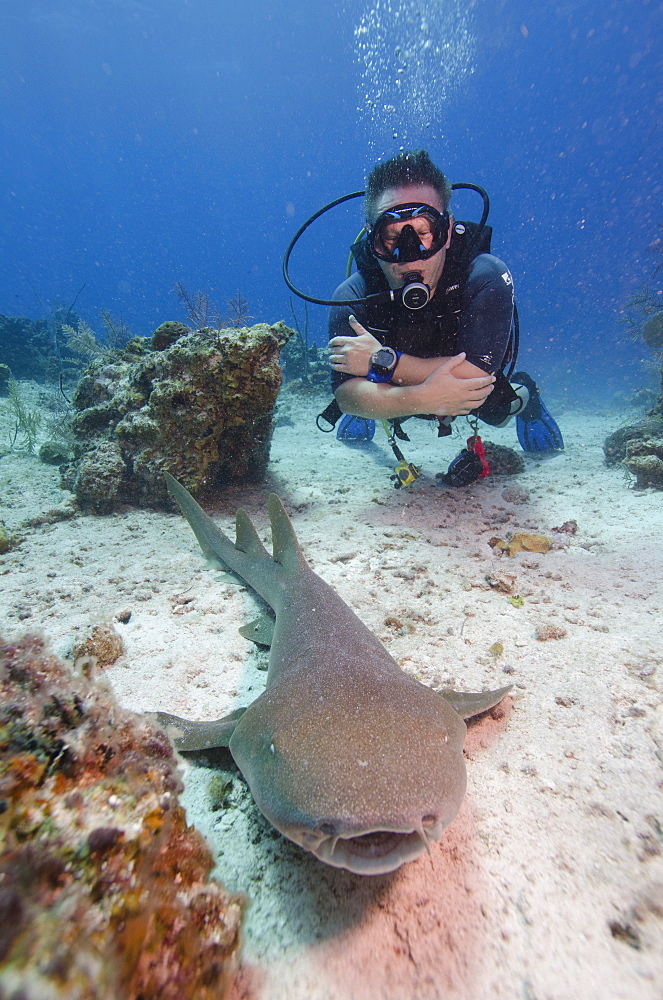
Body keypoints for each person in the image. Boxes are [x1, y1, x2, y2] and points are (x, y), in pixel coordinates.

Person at [327, 149, 563, 478]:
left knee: (501, 411)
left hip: (463, 385)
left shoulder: (487, 276)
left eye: (423, 232)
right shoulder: (352, 296)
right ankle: (379, 407)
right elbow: (346, 396)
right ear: (373, 239)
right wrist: (421, 398)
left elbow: (476, 375)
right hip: (397, 390)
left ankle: (528, 395)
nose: (409, 255)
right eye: (392, 235)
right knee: (371, 405)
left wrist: (382, 361)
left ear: (448, 231)